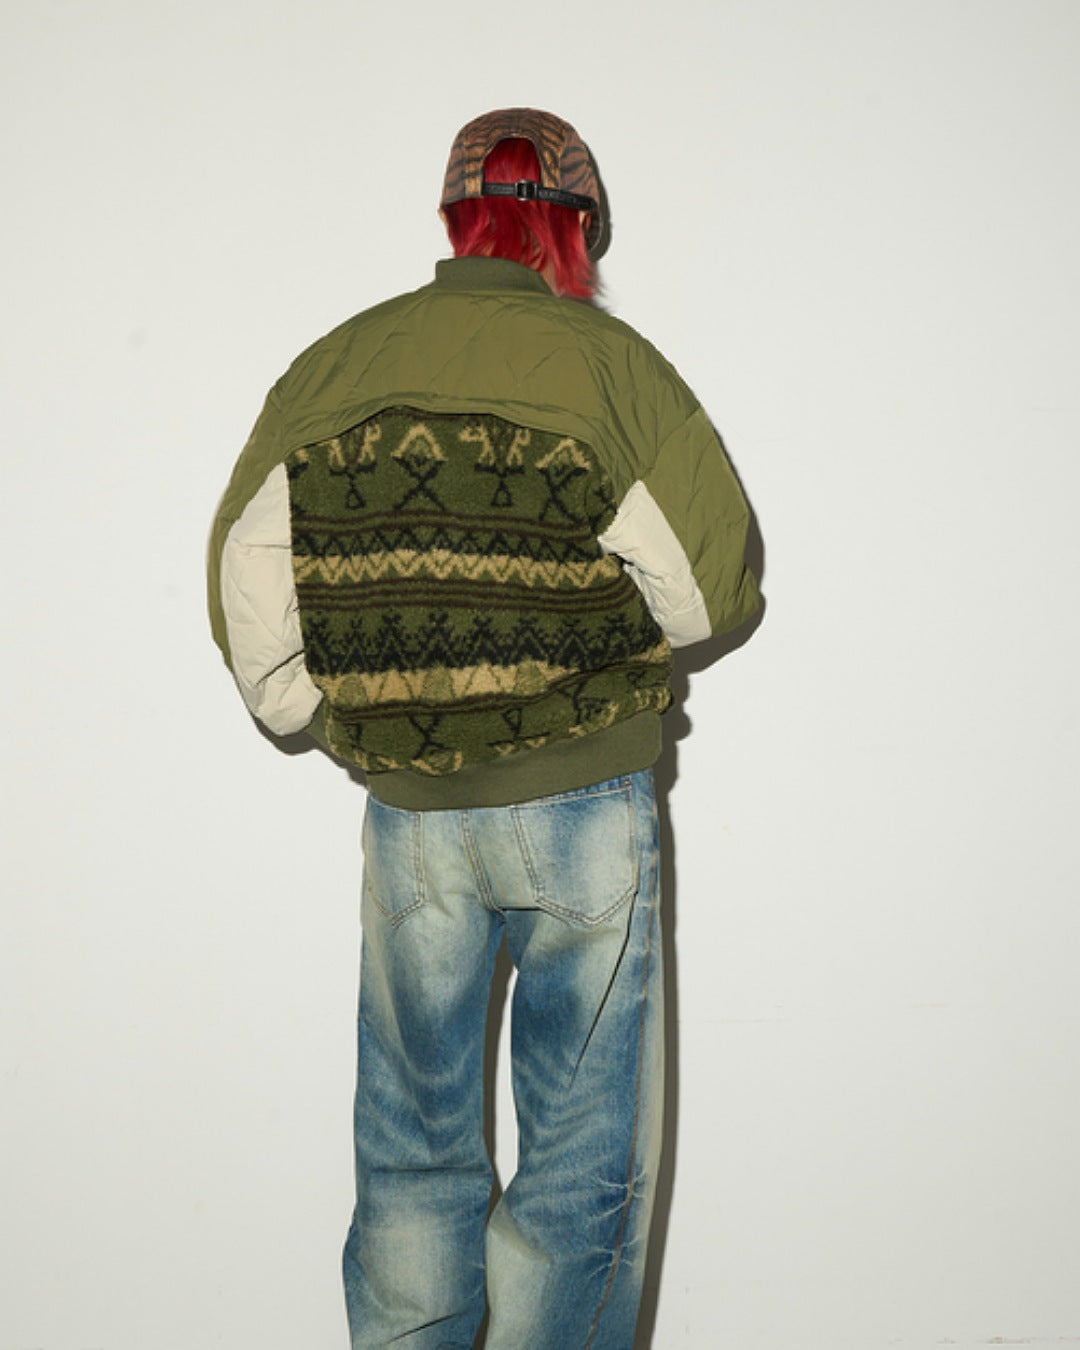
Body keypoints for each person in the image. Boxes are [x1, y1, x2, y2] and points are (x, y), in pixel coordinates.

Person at [207, 107, 761, 1350]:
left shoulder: (336, 366)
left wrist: (327, 712)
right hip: (582, 816)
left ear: (457, 218)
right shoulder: (611, 369)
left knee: (410, 1153)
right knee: (580, 1167)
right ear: (576, 228)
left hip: (413, 820)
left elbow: (249, 595)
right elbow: (709, 594)